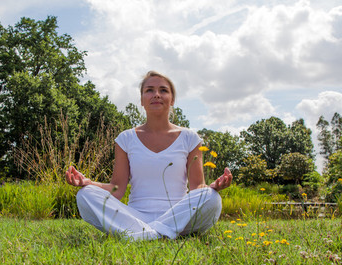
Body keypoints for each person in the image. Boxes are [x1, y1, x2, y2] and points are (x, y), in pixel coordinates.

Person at [65, 71, 232, 240]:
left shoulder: (190, 138)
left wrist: (213, 187)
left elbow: (197, 188)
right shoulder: (126, 138)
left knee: (211, 198)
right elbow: (116, 189)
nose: (156, 95)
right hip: (135, 217)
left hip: (177, 217)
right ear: (142, 100)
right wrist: (89, 183)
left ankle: (146, 233)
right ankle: (153, 232)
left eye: (164, 90)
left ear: (172, 99)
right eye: (150, 90)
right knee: (85, 195)